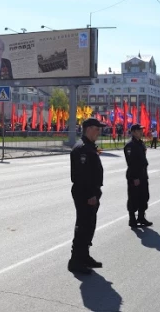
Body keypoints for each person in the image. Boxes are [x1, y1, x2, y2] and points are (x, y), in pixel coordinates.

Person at [68, 117, 106, 274]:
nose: (99, 132)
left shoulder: (89, 146)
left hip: (91, 194)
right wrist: (91, 195)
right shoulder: (82, 148)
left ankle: (85, 256)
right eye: (97, 129)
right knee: (83, 227)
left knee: (89, 225)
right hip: (85, 194)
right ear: (89, 129)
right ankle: (75, 261)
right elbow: (82, 176)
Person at [124, 124, 152, 228]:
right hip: (134, 175)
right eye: (140, 130)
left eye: (141, 130)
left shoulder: (140, 143)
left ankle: (141, 217)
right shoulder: (130, 145)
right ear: (134, 132)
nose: (141, 132)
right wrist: (135, 177)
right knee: (133, 198)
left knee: (144, 196)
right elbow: (131, 163)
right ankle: (132, 219)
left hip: (143, 174)